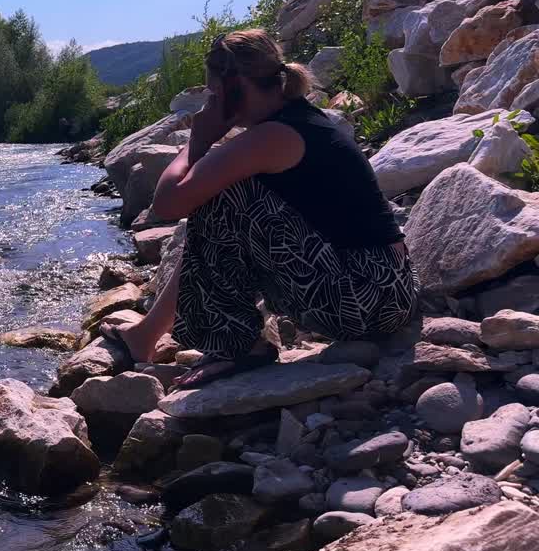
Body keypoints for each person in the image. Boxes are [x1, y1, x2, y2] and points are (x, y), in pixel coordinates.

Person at [98, 29, 418, 389]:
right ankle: (147, 333)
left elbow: (168, 203)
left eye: (214, 93)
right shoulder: (299, 120)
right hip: (386, 289)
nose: (210, 103)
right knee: (220, 202)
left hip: (363, 300)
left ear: (235, 88)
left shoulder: (272, 138)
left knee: (221, 198)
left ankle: (239, 346)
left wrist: (198, 140)